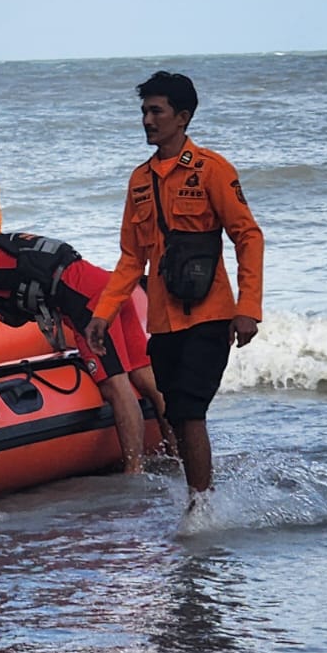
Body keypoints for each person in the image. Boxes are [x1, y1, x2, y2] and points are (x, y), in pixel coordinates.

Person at [84, 71, 264, 502]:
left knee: (189, 410)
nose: (147, 120)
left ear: (182, 117)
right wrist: (103, 314)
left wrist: (248, 308)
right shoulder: (139, 180)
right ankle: (203, 496)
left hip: (210, 315)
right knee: (178, 415)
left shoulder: (212, 169)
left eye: (156, 111)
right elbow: (131, 258)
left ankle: (200, 506)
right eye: (144, 111)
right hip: (163, 323)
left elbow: (248, 236)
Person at [0, 212, 169, 475]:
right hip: (110, 289)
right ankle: (177, 452)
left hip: (89, 303)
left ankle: (134, 469)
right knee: (146, 378)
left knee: (115, 386)